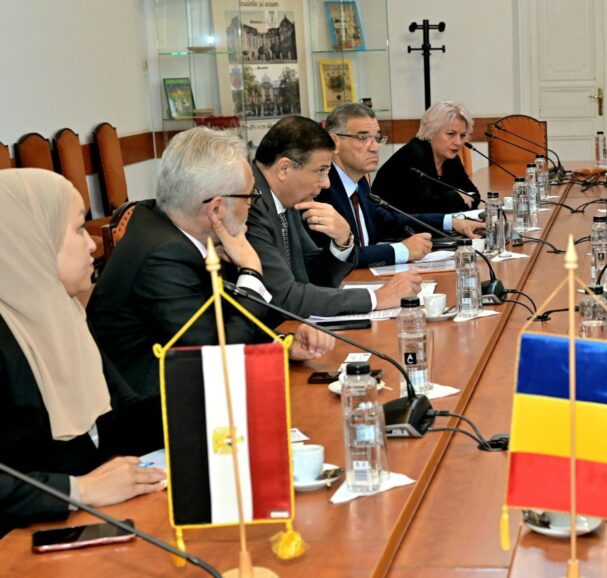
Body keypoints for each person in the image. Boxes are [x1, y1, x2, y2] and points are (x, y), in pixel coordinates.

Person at [89, 128, 334, 398]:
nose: (252, 206)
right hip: (157, 410)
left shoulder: (169, 223)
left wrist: (282, 345)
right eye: (250, 197)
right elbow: (217, 358)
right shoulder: (164, 255)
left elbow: (220, 325)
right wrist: (251, 271)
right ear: (216, 209)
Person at [0, 169, 166, 536]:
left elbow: (119, 418)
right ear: (32, 241)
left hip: (93, 523)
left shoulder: (65, 313)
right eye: (78, 229)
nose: (92, 243)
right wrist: (80, 491)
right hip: (22, 542)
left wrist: (210, 389)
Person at [245, 116, 421, 316]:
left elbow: (315, 278)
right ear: (284, 168)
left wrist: (342, 242)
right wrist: (377, 298)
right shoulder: (249, 204)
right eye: (321, 171)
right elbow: (285, 297)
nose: (326, 183)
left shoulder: (287, 198)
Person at [316, 103, 484, 268]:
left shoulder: (359, 182)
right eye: (363, 138)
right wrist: (403, 250)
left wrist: (451, 222)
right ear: (334, 142)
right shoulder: (321, 189)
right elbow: (337, 258)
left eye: (376, 138)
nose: (375, 147)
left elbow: (390, 221)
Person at [372, 101, 480, 214]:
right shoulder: (413, 155)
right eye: (451, 134)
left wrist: (452, 200)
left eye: (462, 135)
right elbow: (423, 208)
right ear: (432, 132)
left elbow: (475, 195)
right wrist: (457, 196)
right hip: (389, 222)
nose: (458, 142)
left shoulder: (450, 158)